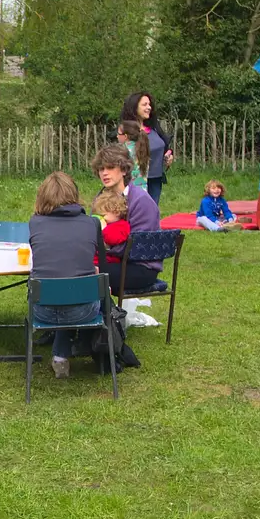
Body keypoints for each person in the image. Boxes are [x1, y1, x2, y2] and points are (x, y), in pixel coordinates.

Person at [28, 173, 105, 381]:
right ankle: (75, 351)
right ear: (74, 194)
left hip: (41, 310)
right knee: (79, 290)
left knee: (61, 290)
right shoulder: (91, 224)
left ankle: (61, 356)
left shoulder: (35, 223)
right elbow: (103, 269)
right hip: (83, 311)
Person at [92, 144, 161, 293]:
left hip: (141, 267)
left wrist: (104, 245)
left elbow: (138, 247)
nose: (104, 173)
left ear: (123, 170)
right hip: (111, 261)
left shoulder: (141, 201)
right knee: (75, 269)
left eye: (110, 167)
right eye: (101, 169)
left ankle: (103, 314)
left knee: (85, 274)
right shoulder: (101, 197)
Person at [121, 92, 173, 203]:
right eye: (144, 104)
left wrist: (168, 155)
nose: (149, 107)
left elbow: (162, 145)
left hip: (156, 179)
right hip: (136, 181)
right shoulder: (126, 131)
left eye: (149, 104)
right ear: (134, 107)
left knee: (152, 212)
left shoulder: (153, 127)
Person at [94, 188, 131, 268]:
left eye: (104, 215)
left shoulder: (122, 226)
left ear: (116, 212)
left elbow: (112, 238)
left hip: (109, 261)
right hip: (98, 259)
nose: (102, 217)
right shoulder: (109, 224)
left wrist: (102, 230)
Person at [116, 120, 149, 189]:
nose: (117, 136)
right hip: (142, 190)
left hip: (127, 190)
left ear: (125, 136)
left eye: (118, 134)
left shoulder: (122, 151)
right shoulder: (142, 149)